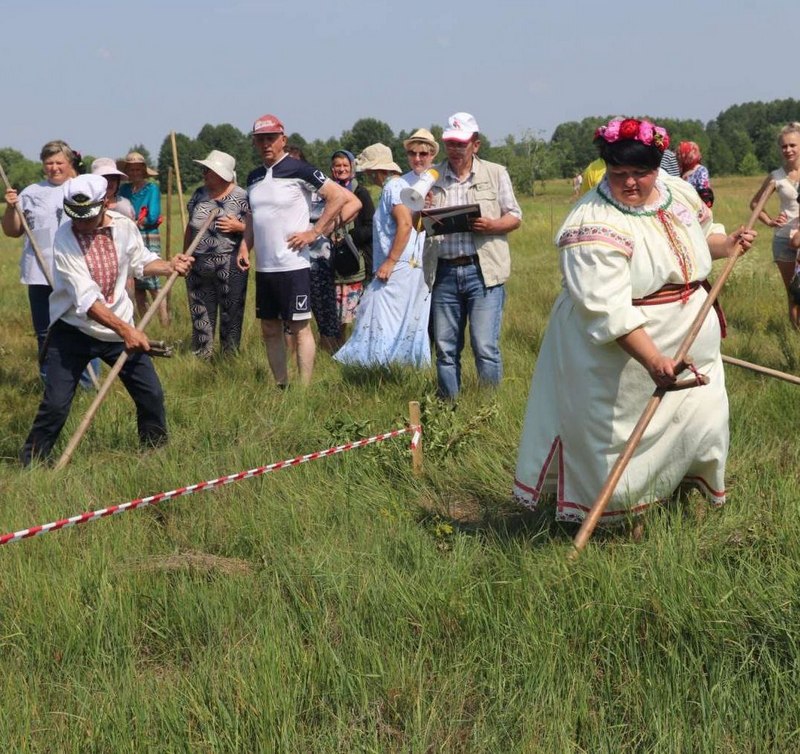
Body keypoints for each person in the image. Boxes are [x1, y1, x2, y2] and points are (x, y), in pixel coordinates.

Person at [513, 117, 756, 525]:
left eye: (640, 173)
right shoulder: (592, 223)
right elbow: (607, 309)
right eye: (618, 173)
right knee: (622, 443)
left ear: (657, 167)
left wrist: (726, 244)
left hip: (693, 344)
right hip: (624, 357)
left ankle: (682, 498)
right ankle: (626, 519)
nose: (629, 182)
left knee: (702, 420)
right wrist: (653, 360)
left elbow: (701, 238)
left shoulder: (678, 193)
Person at [20, 174, 194, 466]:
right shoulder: (64, 238)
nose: (81, 224)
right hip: (74, 329)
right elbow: (87, 299)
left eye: (87, 218)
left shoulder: (124, 226)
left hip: (118, 329)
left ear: (104, 205)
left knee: (150, 393)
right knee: (56, 404)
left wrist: (168, 266)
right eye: (76, 218)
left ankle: (155, 453)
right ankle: (32, 464)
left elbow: (140, 261)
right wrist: (128, 331)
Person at [238, 113, 360, 387]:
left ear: (283, 139)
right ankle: (282, 386)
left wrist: (314, 233)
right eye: (260, 139)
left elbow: (338, 196)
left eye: (271, 138)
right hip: (265, 266)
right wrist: (245, 245)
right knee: (269, 328)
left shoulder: (300, 169)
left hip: (294, 265)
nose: (266, 144)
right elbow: (252, 216)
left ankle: (304, 389)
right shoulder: (254, 176)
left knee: (299, 326)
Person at [424, 112, 522, 399]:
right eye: (450, 143)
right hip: (443, 272)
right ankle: (448, 407)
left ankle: (488, 410)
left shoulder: (495, 173)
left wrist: (492, 226)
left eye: (461, 143)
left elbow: (515, 216)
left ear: (475, 144)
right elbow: (416, 223)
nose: (455, 149)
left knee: (485, 346)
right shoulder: (431, 176)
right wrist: (422, 210)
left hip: (483, 272)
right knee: (445, 348)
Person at [333, 140, 433, 368]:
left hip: (397, 267)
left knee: (378, 314)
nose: (367, 176)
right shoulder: (398, 187)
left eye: (368, 171)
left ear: (375, 170)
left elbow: (405, 224)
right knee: (390, 317)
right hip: (402, 265)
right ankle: (391, 366)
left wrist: (390, 261)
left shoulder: (393, 188)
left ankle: (377, 365)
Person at [2, 140, 78, 372]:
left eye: (59, 162)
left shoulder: (80, 189)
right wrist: (11, 208)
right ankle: (51, 382)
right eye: (49, 163)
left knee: (81, 329)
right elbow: (12, 231)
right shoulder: (31, 192)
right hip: (39, 273)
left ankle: (85, 384)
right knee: (45, 332)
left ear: (69, 162)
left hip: (75, 271)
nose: (54, 167)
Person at [183, 150, 249, 359]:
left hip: (229, 262)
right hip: (198, 264)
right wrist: (185, 256)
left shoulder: (242, 196)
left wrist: (238, 226)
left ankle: (229, 360)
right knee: (200, 313)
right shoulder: (198, 194)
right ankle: (202, 357)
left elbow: (255, 227)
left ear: (222, 174)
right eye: (203, 169)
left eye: (208, 170)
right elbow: (190, 227)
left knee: (231, 314)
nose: (203, 173)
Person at [750, 122, 800, 327]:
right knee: (793, 292)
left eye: (792, 145)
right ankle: (795, 336)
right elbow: (755, 203)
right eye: (784, 146)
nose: (788, 150)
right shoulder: (776, 177)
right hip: (783, 240)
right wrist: (770, 221)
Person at [118, 151, 169, 326]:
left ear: (143, 171)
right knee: (137, 282)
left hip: (147, 234)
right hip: (129, 235)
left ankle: (164, 322)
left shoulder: (151, 188)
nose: (134, 173)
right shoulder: (124, 190)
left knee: (152, 280)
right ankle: (145, 324)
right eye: (131, 170)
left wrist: (135, 223)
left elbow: (153, 215)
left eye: (138, 169)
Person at [330, 149, 375, 343]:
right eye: (337, 165)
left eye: (345, 165)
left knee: (356, 313)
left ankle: (357, 348)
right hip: (332, 261)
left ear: (352, 167)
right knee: (335, 314)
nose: (341, 169)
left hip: (356, 260)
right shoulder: (327, 192)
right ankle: (335, 349)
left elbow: (371, 226)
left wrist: (349, 237)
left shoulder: (360, 192)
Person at [676, 141, 713, 207]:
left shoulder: (701, 170)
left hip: (697, 208)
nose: (677, 157)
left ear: (688, 155)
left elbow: (704, 195)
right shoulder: (682, 171)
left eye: (679, 154)